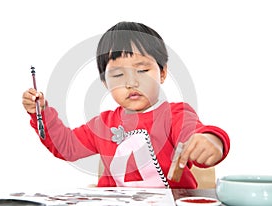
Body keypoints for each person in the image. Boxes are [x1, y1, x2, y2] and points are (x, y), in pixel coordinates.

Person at [22, 21, 230, 189]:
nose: (132, 82)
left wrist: (210, 140)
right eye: (119, 75)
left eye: (142, 71)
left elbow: (194, 134)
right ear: (105, 82)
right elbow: (66, 146)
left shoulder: (175, 114)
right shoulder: (102, 124)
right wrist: (41, 114)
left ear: (163, 73)